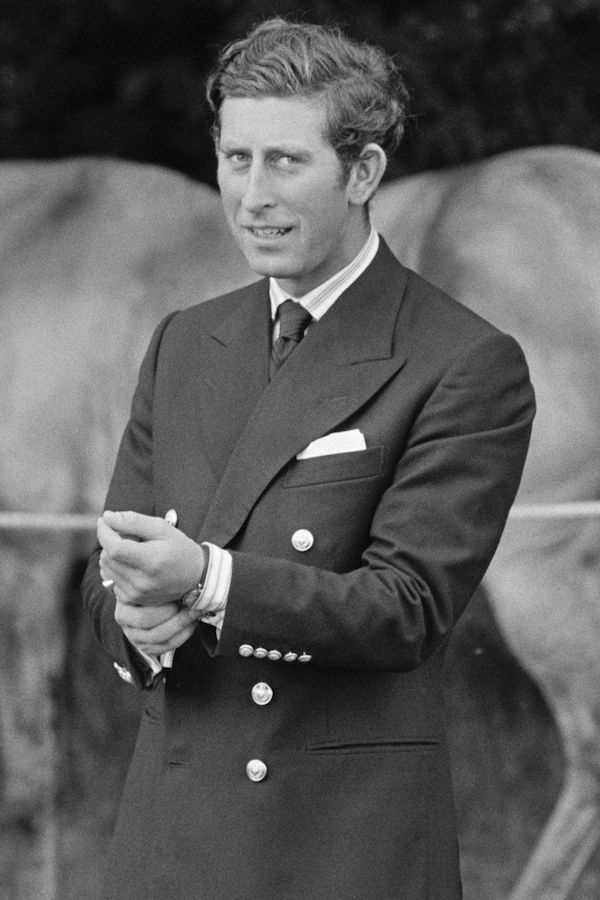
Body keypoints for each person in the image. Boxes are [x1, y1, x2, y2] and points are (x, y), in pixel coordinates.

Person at [82, 17, 535, 900]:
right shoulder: (185, 341)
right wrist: (133, 625)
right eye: (235, 158)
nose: (252, 195)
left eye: (286, 162)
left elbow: (407, 610)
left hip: (342, 849)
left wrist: (209, 582)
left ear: (363, 172)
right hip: (171, 843)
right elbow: (115, 573)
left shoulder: (463, 360)